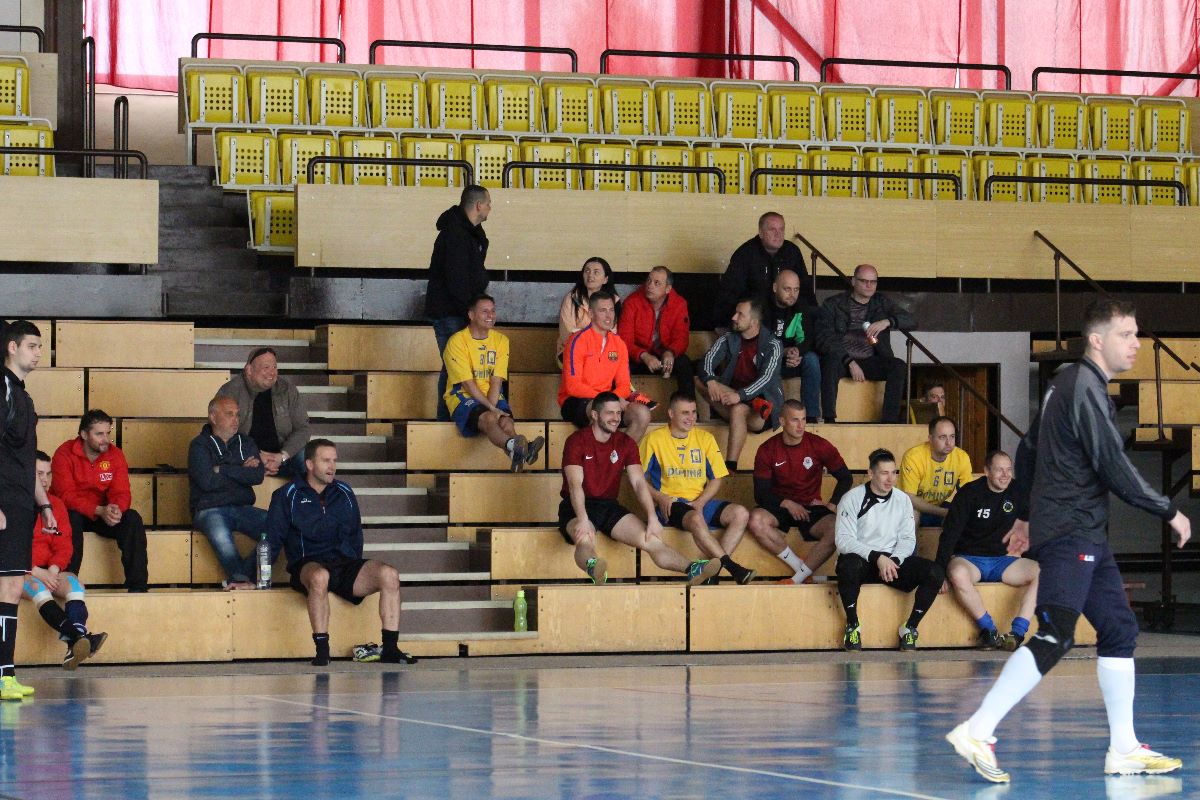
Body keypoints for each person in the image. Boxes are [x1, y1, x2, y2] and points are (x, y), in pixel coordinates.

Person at [947, 300, 1191, 784]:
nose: (1137, 344)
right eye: (1126, 334)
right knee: (1056, 633)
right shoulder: (1084, 388)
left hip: (1083, 531)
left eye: (1137, 334)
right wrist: (1167, 509)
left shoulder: (1065, 383)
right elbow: (1113, 466)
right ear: (1097, 340)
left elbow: (1029, 449)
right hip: (1071, 530)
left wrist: (1025, 517)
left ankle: (1124, 748)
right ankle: (978, 729)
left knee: (1118, 629)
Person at [266, 439, 414, 667]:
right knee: (319, 577)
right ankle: (322, 651)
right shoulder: (287, 494)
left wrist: (354, 567)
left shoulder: (344, 491)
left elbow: (356, 535)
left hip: (344, 564)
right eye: (326, 460)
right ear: (309, 464)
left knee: (389, 574)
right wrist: (253, 577)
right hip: (308, 564)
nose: (332, 466)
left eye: (334, 460)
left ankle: (391, 649)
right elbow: (272, 540)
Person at [559, 392, 720, 586]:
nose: (616, 418)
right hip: (577, 505)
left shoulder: (626, 443)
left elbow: (638, 483)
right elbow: (575, 485)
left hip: (609, 505)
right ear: (594, 415)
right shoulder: (576, 440)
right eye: (610, 413)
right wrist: (583, 519)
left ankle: (692, 568)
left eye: (618, 413)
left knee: (650, 539)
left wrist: (652, 517)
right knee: (584, 538)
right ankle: (593, 566)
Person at [640, 392, 756, 585]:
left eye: (694, 412)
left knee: (741, 514)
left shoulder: (705, 438)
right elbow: (638, 480)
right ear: (671, 413)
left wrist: (701, 502)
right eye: (685, 413)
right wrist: (659, 497)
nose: (691, 417)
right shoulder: (653, 439)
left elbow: (717, 478)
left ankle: (711, 572)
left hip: (700, 502)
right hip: (672, 504)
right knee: (695, 518)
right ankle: (733, 568)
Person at [834, 448, 943, 651]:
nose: (890, 479)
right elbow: (844, 540)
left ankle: (910, 628)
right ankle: (852, 625)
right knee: (848, 565)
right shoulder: (852, 498)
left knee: (934, 572)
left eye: (894, 473)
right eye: (884, 473)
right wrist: (877, 557)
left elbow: (908, 539)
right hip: (864, 561)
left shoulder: (902, 500)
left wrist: (895, 560)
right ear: (871, 473)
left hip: (892, 564)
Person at [0, 320, 56, 701]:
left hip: (21, 504)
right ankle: (3, 674)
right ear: (12, 347)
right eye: (32, 346)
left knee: (12, 586)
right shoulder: (2, 389)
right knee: (8, 585)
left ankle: (5, 673)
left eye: (40, 347)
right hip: (4, 502)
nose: (38, 353)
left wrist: (44, 503)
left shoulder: (25, 398)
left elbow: (25, 460)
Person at [935, 450, 1037, 651]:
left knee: (1044, 572)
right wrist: (939, 571)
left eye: (1008, 470)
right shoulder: (969, 493)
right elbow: (949, 534)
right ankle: (988, 631)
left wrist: (1028, 555)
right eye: (999, 470)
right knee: (957, 573)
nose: (1005, 475)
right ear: (987, 471)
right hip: (969, 559)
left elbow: (1028, 529)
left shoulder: (1018, 491)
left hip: (1002, 560)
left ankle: (1017, 633)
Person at [747, 400, 853, 584]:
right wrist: (787, 503)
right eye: (795, 420)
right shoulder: (767, 449)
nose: (801, 425)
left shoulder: (819, 444)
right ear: (782, 421)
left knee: (838, 529)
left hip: (811, 507)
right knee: (755, 520)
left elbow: (846, 478)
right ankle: (800, 566)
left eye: (803, 419)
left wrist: (831, 505)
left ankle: (796, 579)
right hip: (779, 506)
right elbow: (761, 493)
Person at [24, 452, 107, 670]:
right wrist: (37, 572)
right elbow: (10, 549)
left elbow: (64, 545)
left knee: (74, 584)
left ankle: (75, 642)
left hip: (49, 569)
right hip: (22, 571)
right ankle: (79, 637)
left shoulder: (56, 505)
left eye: (48, 474)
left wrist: (53, 570)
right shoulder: (15, 505)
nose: (44, 480)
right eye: (39, 474)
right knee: (38, 587)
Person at [444, 294, 544, 472]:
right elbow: (468, 384)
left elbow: (496, 381)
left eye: (493, 311)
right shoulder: (457, 341)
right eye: (484, 311)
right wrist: (491, 409)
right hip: (462, 396)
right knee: (490, 418)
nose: (490, 315)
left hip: (492, 394)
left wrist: (493, 406)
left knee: (506, 422)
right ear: (471, 315)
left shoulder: (501, 340)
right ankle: (521, 448)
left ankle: (517, 451)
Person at [52, 410, 148, 593]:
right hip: (74, 512)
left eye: (108, 433)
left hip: (103, 513)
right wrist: (98, 510)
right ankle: (67, 584)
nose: (106, 439)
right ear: (84, 434)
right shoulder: (64, 453)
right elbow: (65, 496)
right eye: (99, 434)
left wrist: (115, 509)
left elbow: (122, 491)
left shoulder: (115, 455)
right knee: (70, 517)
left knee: (132, 518)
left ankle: (138, 588)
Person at [815, 263, 915, 423]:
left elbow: (912, 320)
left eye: (873, 281)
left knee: (898, 366)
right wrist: (850, 362)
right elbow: (824, 338)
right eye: (864, 281)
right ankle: (829, 419)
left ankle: (889, 421)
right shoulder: (833, 303)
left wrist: (887, 322)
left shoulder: (881, 302)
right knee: (830, 362)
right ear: (853, 281)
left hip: (870, 360)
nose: (869, 285)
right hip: (842, 360)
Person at [426, 184, 492, 420]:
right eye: (488, 204)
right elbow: (457, 280)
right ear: (478, 205)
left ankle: (450, 418)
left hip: (457, 311)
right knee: (454, 367)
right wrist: (470, 312)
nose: (490, 208)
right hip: (451, 312)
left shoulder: (467, 233)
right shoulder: (457, 235)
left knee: (455, 366)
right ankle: (445, 420)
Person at [188, 395, 267, 589]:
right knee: (223, 541)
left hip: (242, 507)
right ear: (213, 417)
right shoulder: (199, 445)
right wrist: (241, 470)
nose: (236, 419)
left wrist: (222, 469)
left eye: (237, 415)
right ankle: (242, 580)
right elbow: (207, 482)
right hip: (210, 509)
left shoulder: (246, 442)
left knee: (279, 526)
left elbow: (257, 476)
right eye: (229, 414)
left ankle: (241, 579)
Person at [696, 297, 783, 473]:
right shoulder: (728, 338)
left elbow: (766, 379)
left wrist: (740, 396)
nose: (734, 317)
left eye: (740, 314)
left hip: (761, 410)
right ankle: (748, 403)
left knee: (738, 409)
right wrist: (710, 380)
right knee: (700, 380)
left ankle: (730, 466)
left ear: (754, 321)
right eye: (735, 313)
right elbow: (707, 361)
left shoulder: (773, 344)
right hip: (733, 397)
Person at [559, 290, 652, 443]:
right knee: (601, 411)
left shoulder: (619, 344)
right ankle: (599, 456)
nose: (609, 316)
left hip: (610, 401)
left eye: (611, 310)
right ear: (591, 313)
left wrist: (612, 400)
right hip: (576, 401)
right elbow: (573, 387)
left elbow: (624, 386)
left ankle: (617, 455)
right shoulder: (577, 341)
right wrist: (609, 400)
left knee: (642, 413)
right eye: (602, 310)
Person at [217, 347, 310, 479]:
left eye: (274, 367)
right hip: (246, 456)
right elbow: (221, 431)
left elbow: (303, 429)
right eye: (266, 367)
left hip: (281, 457)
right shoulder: (230, 391)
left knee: (309, 459)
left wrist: (282, 456)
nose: (272, 372)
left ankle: (305, 494)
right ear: (249, 370)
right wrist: (254, 455)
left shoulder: (287, 390)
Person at [713, 211, 816, 326]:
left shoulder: (792, 252)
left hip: (786, 317)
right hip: (755, 321)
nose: (778, 234)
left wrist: (815, 319)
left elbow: (805, 290)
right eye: (772, 230)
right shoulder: (745, 254)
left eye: (781, 229)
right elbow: (729, 293)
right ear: (761, 233)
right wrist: (722, 324)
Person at [617, 266, 694, 394]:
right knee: (620, 365)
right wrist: (643, 355)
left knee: (684, 363)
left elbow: (682, 337)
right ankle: (624, 403)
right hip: (638, 355)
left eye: (657, 283)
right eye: (649, 280)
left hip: (664, 354)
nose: (650, 286)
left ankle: (687, 405)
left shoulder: (679, 304)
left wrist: (671, 352)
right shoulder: (632, 302)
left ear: (668, 289)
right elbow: (624, 340)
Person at [762, 268, 823, 422]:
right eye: (787, 289)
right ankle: (774, 416)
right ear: (775, 287)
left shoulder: (801, 306)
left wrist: (797, 352)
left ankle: (810, 416)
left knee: (811, 359)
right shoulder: (762, 306)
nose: (792, 294)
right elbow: (760, 342)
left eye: (796, 289)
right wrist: (783, 352)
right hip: (769, 358)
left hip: (792, 358)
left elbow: (807, 338)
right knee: (767, 360)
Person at [900, 416, 973, 527]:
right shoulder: (914, 457)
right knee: (913, 514)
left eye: (952, 436)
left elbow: (969, 493)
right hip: (911, 507)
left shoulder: (961, 457)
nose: (949, 442)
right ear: (930, 439)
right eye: (942, 437)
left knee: (964, 514)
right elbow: (910, 498)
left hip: (939, 506)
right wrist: (944, 512)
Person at [557, 256, 618, 364]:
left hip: (602, 351)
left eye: (596, 272)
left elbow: (612, 333)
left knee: (614, 359)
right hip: (572, 349)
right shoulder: (571, 299)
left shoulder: (613, 301)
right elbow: (566, 333)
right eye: (587, 271)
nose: (590, 275)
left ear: (605, 279)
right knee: (591, 363)